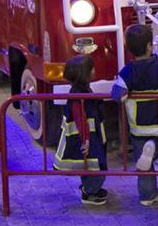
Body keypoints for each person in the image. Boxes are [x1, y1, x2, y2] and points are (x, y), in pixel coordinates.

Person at [110, 24, 158, 206]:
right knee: (155, 149)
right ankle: (154, 149)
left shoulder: (126, 71)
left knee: (143, 161)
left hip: (138, 126)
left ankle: (147, 195)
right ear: (150, 46)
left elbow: (117, 95)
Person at [53, 55, 109, 205]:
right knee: (97, 168)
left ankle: (91, 188)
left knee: (90, 166)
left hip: (91, 138)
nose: (94, 71)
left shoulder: (81, 90)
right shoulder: (78, 96)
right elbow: (80, 119)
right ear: (85, 73)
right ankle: (89, 192)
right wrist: (86, 140)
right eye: (92, 68)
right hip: (88, 140)